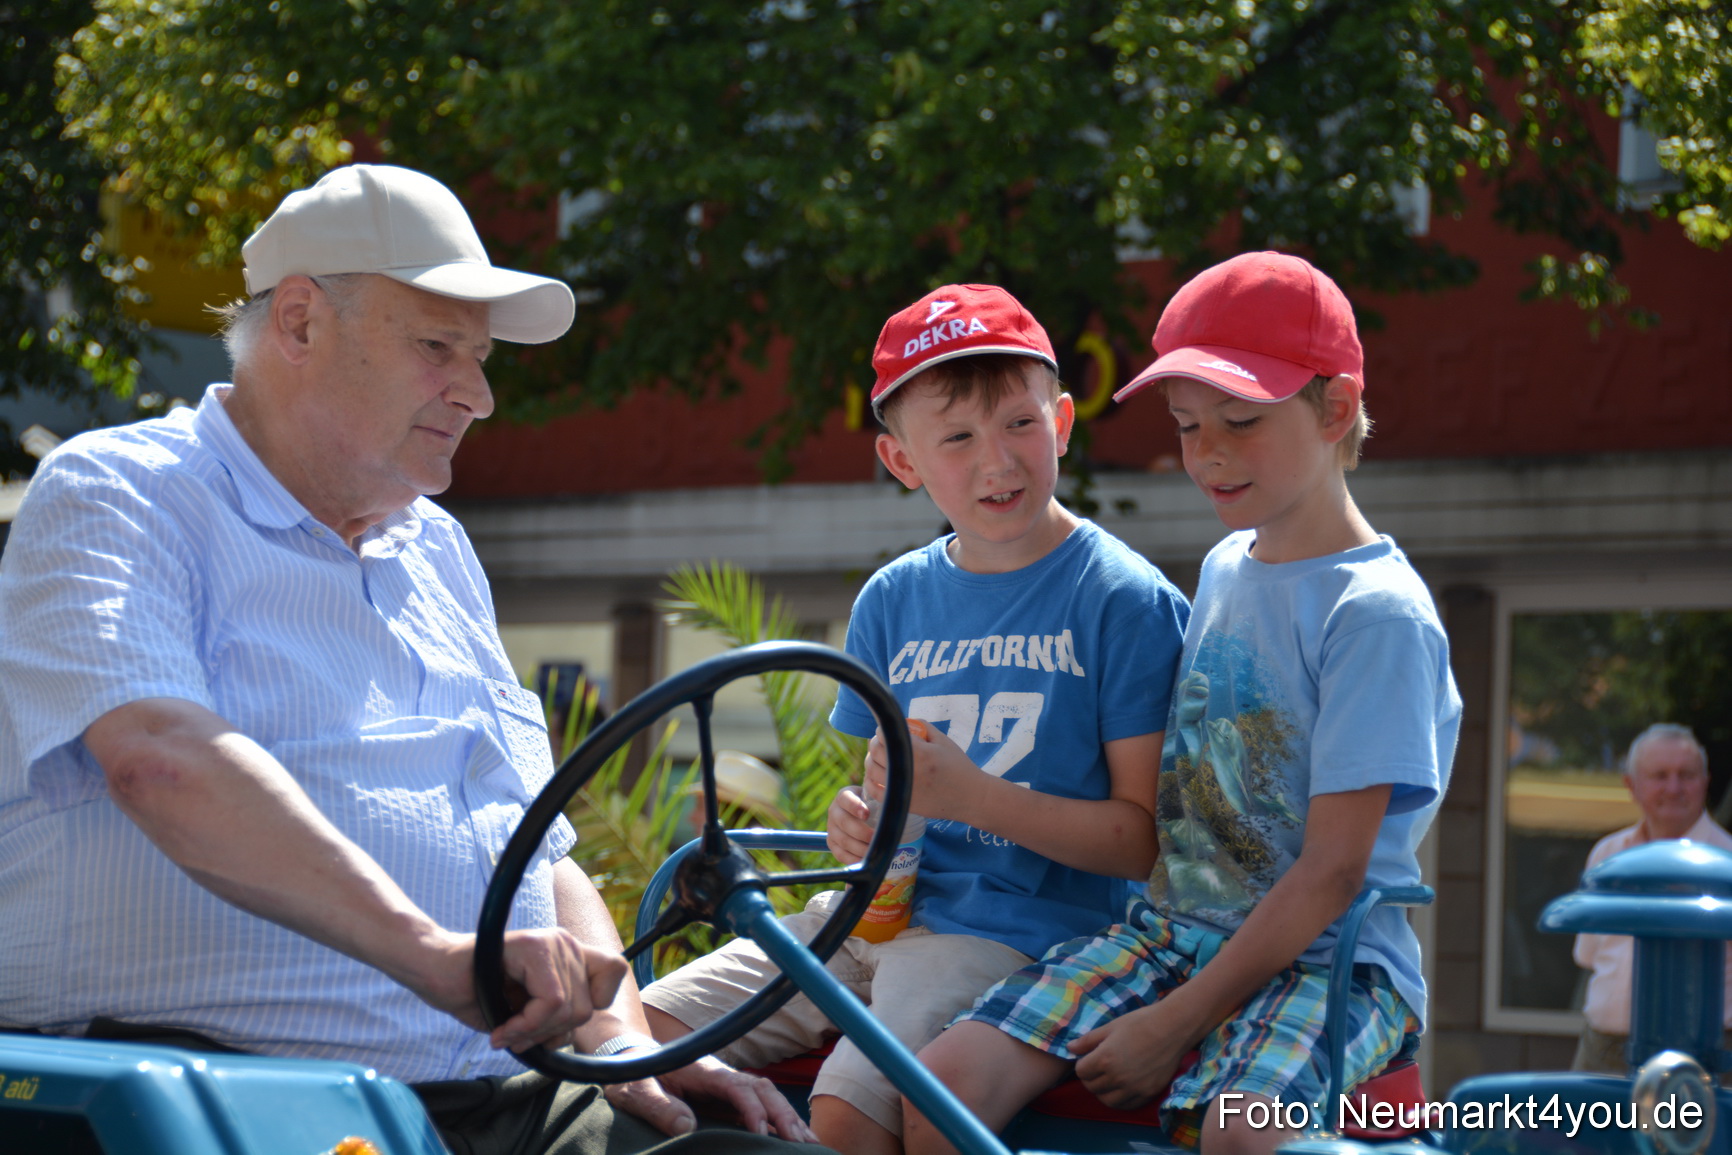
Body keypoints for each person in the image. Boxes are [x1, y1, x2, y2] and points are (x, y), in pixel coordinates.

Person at [0, 164, 819, 1154]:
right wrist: (433, 954)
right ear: (300, 322)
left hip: (503, 1090)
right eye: (438, 347)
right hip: (226, 1091)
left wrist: (622, 1039)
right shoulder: (120, 489)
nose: (478, 395)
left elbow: (536, 841)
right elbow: (160, 757)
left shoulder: (436, 548)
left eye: (480, 358)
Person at [905, 252, 1462, 1155]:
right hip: (1170, 933)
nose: (1207, 453)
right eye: (1188, 424)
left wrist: (1174, 1023)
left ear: (1335, 410)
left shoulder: (1375, 614)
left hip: (1330, 963)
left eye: (1241, 421)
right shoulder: (1225, 565)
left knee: (1238, 1132)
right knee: (940, 1091)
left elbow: (1332, 873)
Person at [641, 284, 1192, 1155]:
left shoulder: (1122, 599)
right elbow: (877, 797)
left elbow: (1143, 843)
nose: (996, 461)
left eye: (1019, 423)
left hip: (1013, 935)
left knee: (847, 1110)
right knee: (635, 1034)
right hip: (865, 913)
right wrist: (852, 825)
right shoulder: (891, 599)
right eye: (957, 438)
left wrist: (975, 799)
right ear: (902, 460)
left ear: (1061, 422)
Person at [1572, 723, 1732, 1074]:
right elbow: (1588, 955)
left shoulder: (1729, 861)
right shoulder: (1607, 856)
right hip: (1605, 1050)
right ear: (1631, 785)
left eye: (1686, 775)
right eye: (1660, 776)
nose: (1674, 788)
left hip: (1710, 1056)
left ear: (1705, 781)